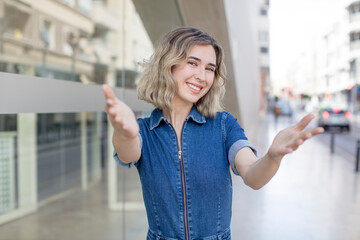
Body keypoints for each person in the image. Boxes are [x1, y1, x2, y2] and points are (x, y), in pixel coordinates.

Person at [102, 27, 323, 240]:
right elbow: (127, 154)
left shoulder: (224, 125)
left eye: (209, 68)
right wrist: (126, 133)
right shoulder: (145, 131)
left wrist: (273, 157)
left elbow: (253, 175)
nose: (202, 76)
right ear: (168, 66)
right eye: (192, 63)